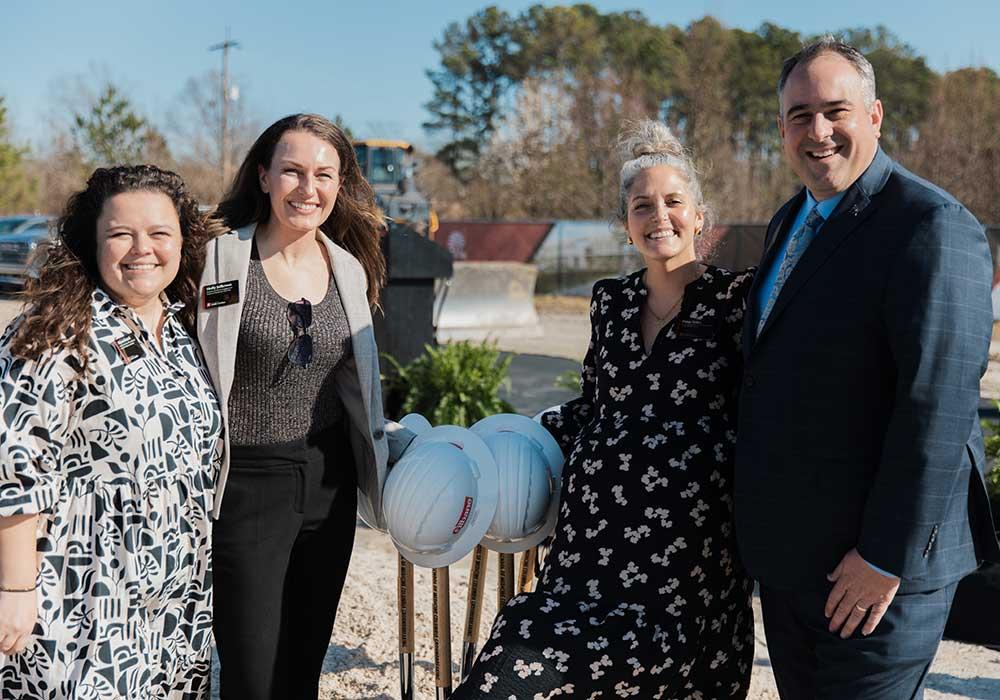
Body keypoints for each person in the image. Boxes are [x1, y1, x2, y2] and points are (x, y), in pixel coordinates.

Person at [735, 36, 1000, 699]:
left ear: (875, 116)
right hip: (797, 565)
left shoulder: (931, 225)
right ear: (781, 128)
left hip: (879, 573)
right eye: (800, 115)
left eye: (835, 111)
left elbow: (936, 407)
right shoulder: (787, 222)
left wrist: (883, 557)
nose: (817, 131)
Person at [454, 119, 754, 699]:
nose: (658, 216)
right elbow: (595, 403)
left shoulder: (738, 300)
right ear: (625, 225)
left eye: (673, 202)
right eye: (642, 206)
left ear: (699, 214)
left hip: (688, 557)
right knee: (507, 672)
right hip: (589, 545)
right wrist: (501, 442)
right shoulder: (611, 304)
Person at [198, 113, 412, 700]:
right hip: (244, 483)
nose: (308, 188)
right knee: (251, 673)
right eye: (292, 171)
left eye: (324, 174)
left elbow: (356, 383)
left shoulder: (349, 266)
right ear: (263, 176)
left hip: (329, 481)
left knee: (302, 667)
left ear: (339, 185)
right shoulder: (217, 259)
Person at [0, 165, 222, 698]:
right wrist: (15, 588)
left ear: (183, 241)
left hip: (177, 590)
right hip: (82, 589)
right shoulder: (55, 329)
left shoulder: (185, 331)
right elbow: (14, 464)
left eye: (159, 233)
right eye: (120, 233)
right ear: (92, 243)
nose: (141, 249)